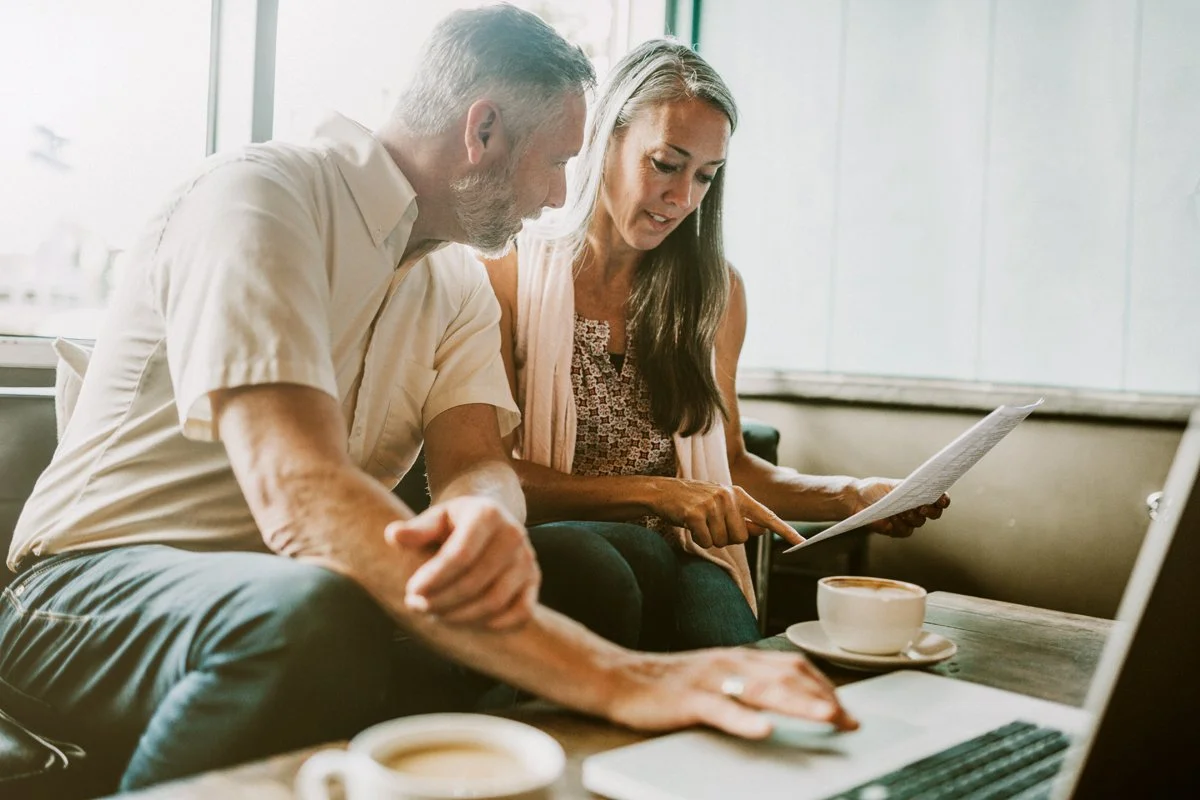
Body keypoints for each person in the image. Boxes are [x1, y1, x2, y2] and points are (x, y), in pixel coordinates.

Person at [0, 7, 855, 794]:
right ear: (482, 130)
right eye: (557, 161)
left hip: (294, 583)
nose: (562, 194)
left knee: (582, 570)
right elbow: (302, 500)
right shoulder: (263, 198)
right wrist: (628, 679)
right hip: (83, 584)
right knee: (306, 615)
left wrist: (486, 514)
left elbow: (477, 461)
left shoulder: (454, 281)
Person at [484, 38, 949, 652]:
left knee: (740, 661)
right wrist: (661, 495)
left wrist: (853, 495)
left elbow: (727, 467)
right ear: (605, 138)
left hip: (687, 555)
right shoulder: (508, 273)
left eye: (706, 176)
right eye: (666, 163)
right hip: (570, 550)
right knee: (628, 562)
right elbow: (490, 472)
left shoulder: (717, 293)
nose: (683, 199)